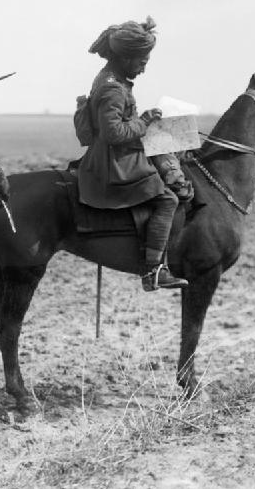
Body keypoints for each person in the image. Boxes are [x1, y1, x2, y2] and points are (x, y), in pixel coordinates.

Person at [77, 16, 189, 292]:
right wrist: (146, 120)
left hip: (120, 153)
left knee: (182, 138)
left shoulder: (115, 79)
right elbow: (113, 134)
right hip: (114, 163)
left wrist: (150, 122)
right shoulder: (113, 88)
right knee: (167, 200)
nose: (143, 68)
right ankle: (153, 270)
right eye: (142, 62)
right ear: (126, 57)